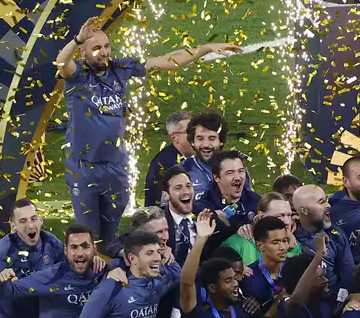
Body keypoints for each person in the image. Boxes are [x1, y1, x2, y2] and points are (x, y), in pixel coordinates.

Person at [55, 18, 239, 247]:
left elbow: (168, 60)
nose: (104, 52)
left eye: (107, 46)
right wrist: (77, 39)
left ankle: (111, 265)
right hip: (84, 168)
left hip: (115, 166)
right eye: (96, 48)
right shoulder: (77, 75)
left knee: (111, 234)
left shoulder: (119, 69)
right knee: (88, 235)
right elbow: (61, 62)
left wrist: (206, 48)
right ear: (83, 53)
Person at [182, 112, 253, 201]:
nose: (206, 144)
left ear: (221, 141)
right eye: (200, 139)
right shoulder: (182, 171)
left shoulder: (237, 170)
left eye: (212, 138)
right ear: (192, 142)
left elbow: (248, 203)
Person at [195, 149, 260, 232]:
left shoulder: (255, 201)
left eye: (240, 171)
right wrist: (214, 216)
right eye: (230, 173)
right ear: (217, 178)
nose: (237, 177)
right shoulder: (206, 203)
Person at [143, 111, 192, 207]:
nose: (196, 136)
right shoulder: (167, 164)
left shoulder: (194, 158)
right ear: (174, 137)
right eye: (190, 132)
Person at [160, 165, 198, 265]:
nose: (186, 192)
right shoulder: (157, 219)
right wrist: (158, 249)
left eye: (188, 186)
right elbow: (125, 243)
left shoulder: (203, 215)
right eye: (178, 188)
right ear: (166, 195)